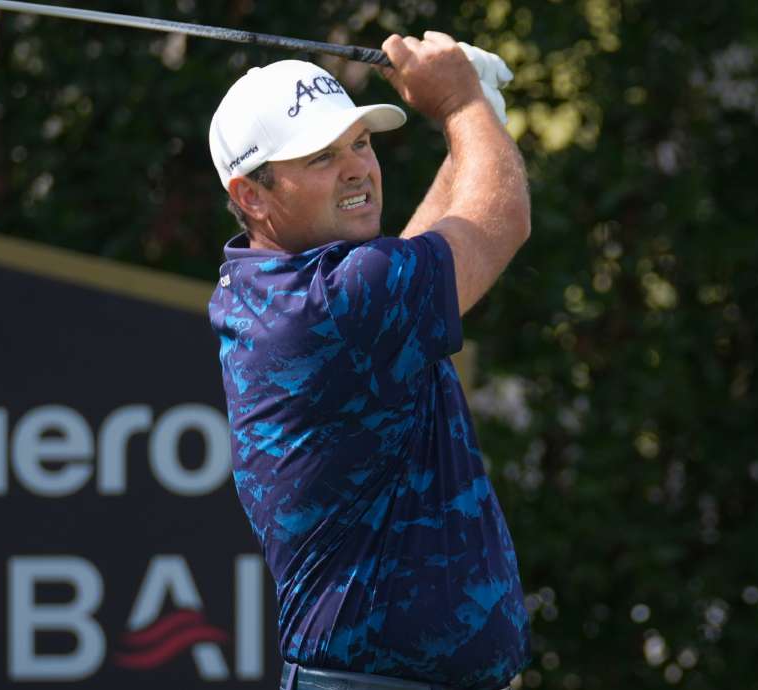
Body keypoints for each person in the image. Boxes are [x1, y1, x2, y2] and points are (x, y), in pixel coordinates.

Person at [206, 31, 531, 690]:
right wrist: (463, 105)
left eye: (360, 143)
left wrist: (479, 117)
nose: (357, 168)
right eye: (322, 156)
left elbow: (425, 251)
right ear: (252, 196)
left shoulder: (293, 288)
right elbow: (500, 220)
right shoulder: (331, 303)